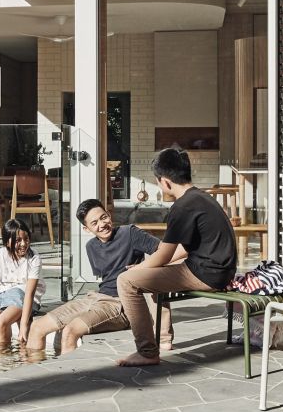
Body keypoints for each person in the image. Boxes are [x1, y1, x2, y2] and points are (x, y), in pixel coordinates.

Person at [116, 145, 237, 367]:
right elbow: (183, 247)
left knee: (126, 281)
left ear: (164, 181)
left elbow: (164, 254)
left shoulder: (183, 207)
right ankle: (163, 339)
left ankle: (147, 352)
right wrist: (148, 268)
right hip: (218, 270)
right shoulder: (201, 197)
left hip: (207, 274)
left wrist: (140, 268)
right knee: (149, 273)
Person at [24, 198, 172, 354]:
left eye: (103, 217)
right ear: (86, 229)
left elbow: (164, 251)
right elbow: (107, 277)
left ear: (109, 214)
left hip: (119, 303)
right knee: (37, 327)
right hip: (95, 297)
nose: (102, 225)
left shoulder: (129, 233)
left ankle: (71, 375)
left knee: (70, 332)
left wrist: (142, 268)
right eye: (94, 223)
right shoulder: (91, 247)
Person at [0, 218, 45, 346]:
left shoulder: (34, 258)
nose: (23, 244)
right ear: (7, 242)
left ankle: (4, 362)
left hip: (23, 295)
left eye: (26, 239)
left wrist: (23, 324)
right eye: (18, 240)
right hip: (2, 294)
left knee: (1, 323)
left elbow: (29, 293)